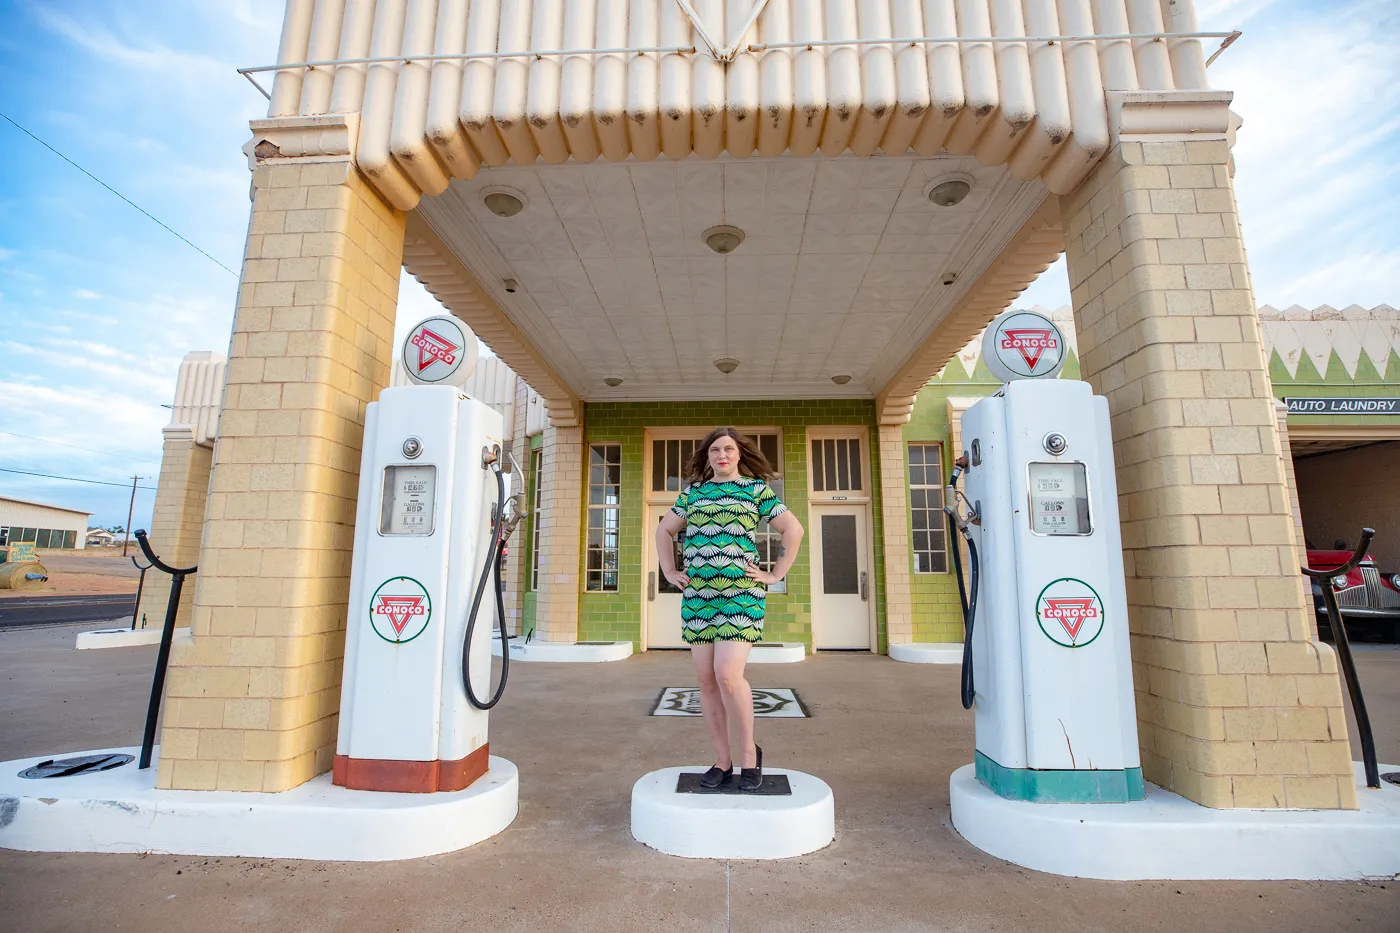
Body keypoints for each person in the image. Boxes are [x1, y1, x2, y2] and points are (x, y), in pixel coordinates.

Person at [656, 427, 804, 791]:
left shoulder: (756, 491)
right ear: (707, 457)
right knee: (706, 681)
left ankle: (749, 755)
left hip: (741, 596)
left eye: (728, 449)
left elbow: (793, 530)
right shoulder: (692, 494)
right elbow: (664, 531)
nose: (722, 455)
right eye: (715, 450)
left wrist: (775, 574)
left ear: (739, 454)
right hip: (698, 596)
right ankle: (723, 761)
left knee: (727, 674)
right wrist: (670, 571)